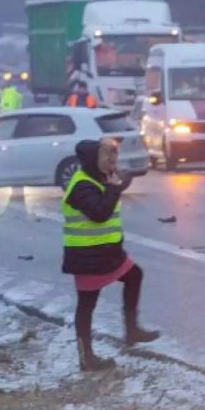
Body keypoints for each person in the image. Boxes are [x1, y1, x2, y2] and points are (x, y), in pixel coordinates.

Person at [62, 138, 159, 371]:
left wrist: (119, 181)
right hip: (88, 257)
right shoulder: (82, 185)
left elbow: (110, 193)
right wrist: (114, 188)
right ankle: (86, 357)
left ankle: (132, 330)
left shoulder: (97, 178)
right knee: (87, 305)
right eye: (106, 158)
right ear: (92, 161)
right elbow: (100, 213)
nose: (111, 162)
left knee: (134, 275)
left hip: (107, 253)